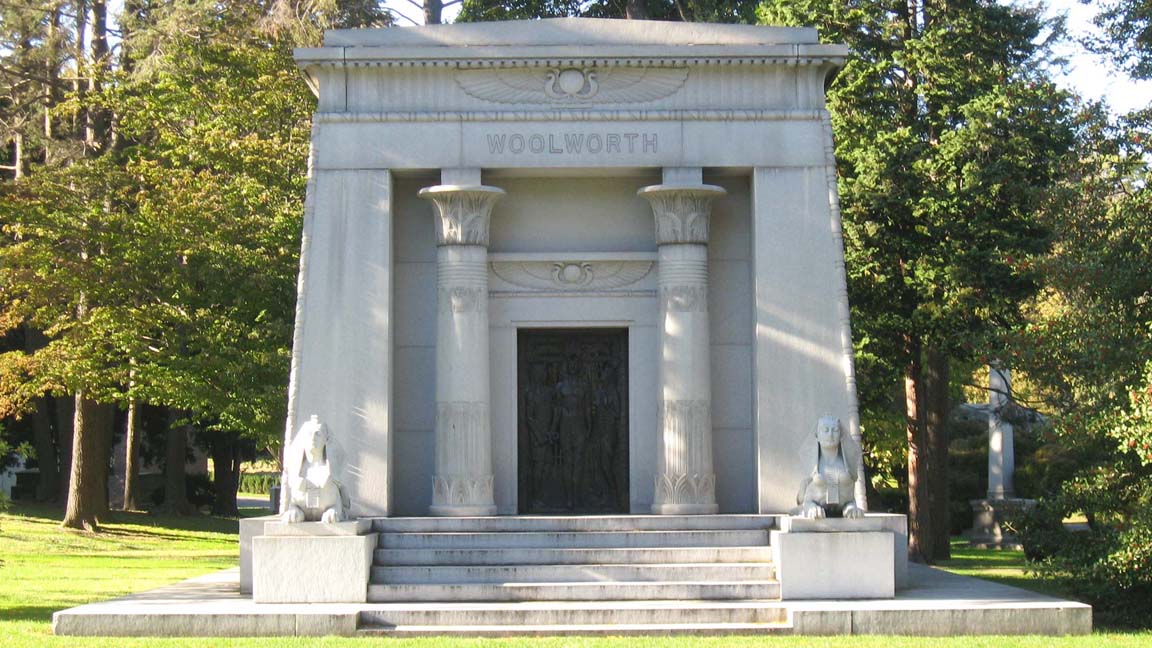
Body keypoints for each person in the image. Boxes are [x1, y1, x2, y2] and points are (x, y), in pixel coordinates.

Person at [797, 416, 865, 519]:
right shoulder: (811, 465)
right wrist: (811, 507)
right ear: (817, 436)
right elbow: (806, 500)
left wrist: (851, 506)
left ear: (841, 435)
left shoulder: (847, 464)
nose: (830, 434)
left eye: (835, 430)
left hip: (842, 508)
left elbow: (850, 498)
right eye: (825, 430)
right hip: (816, 507)